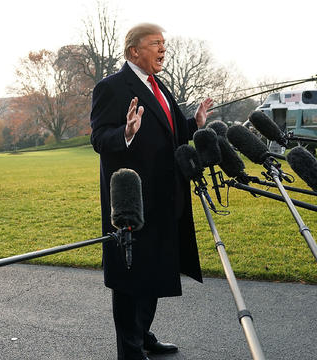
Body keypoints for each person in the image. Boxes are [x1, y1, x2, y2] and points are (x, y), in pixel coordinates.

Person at [90, 23, 213, 360]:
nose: (163, 49)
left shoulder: (159, 86)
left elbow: (169, 135)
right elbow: (99, 139)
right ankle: (129, 351)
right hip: (132, 202)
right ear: (134, 51)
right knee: (130, 276)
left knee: (156, 269)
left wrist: (194, 124)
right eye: (156, 43)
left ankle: (143, 336)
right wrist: (126, 133)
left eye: (164, 43)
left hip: (165, 198)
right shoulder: (111, 87)